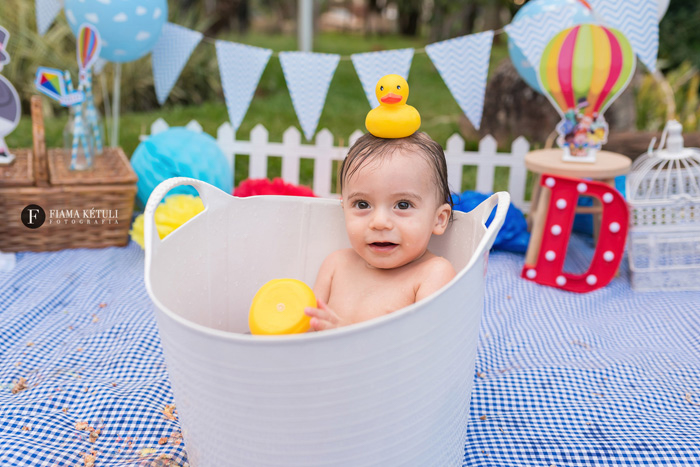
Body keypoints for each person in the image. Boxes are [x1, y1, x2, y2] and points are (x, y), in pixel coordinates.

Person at [304, 131, 456, 331]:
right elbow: (307, 326)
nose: (379, 222)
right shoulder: (336, 265)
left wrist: (344, 337)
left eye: (402, 205)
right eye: (362, 204)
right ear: (344, 208)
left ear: (439, 219)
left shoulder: (433, 274)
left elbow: (425, 347)